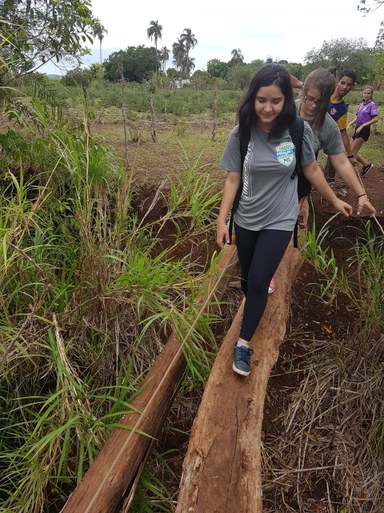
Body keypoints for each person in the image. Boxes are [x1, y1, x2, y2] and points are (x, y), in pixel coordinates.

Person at [216, 63, 353, 377]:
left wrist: (334, 200)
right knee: (249, 280)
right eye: (262, 100)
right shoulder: (241, 133)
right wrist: (222, 220)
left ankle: (243, 343)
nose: (267, 107)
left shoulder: (297, 130)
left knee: (261, 281)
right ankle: (252, 299)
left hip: (280, 217)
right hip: (247, 218)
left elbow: (312, 169)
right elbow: (232, 180)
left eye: (275, 101)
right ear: (253, 99)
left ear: (286, 101)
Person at [298, 68, 376, 216]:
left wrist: (361, 195)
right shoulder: (284, 110)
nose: (314, 105)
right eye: (309, 98)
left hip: (300, 186)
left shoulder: (327, 125)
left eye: (320, 102)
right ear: (304, 91)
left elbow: (341, 162)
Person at [326, 69, 358, 183]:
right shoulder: (324, 93)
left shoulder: (342, 109)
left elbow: (343, 132)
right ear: (338, 81)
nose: (345, 87)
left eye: (349, 85)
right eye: (343, 83)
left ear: (352, 87)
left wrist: (350, 156)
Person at [347, 86, 379, 176]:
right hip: (357, 128)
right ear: (362, 93)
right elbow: (357, 117)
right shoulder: (361, 104)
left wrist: (363, 125)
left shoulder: (371, 105)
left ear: (371, 95)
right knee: (349, 149)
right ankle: (366, 165)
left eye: (368, 93)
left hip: (364, 129)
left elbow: (376, 118)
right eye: (365, 93)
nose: (366, 95)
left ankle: (355, 169)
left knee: (353, 151)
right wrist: (350, 124)